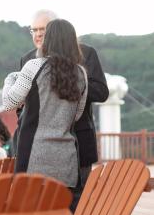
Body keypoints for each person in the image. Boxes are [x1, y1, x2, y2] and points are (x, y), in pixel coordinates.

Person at [17, 10, 109, 194]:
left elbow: (101, 92)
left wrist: (68, 85)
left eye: (43, 29)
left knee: (75, 206)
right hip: (34, 147)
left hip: (77, 143)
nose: (38, 34)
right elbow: (21, 102)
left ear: (55, 29)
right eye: (33, 30)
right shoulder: (28, 60)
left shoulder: (87, 53)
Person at [3, 19, 88, 210]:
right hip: (66, 159)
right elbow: (76, 115)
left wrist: (9, 80)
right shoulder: (81, 74)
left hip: (34, 155)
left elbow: (10, 102)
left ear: (49, 39)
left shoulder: (34, 66)